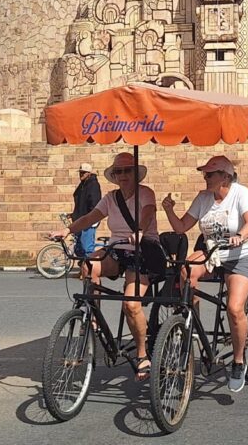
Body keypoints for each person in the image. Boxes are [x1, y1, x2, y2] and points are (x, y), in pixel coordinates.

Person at [56, 152, 160, 381]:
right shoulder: (111, 198)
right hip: (118, 250)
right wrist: (67, 230)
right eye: (119, 171)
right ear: (114, 175)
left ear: (135, 173)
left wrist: (140, 231)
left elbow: (148, 212)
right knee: (89, 265)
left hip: (144, 251)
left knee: (131, 306)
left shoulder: (146, 193)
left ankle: (143, 354)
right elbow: (90, 217)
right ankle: (93, 318)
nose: (123, 175)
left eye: (127, 170)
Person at [161, 155, 248, 394]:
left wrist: (241, 236)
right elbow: (182, 227)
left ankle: (238, 361)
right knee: (185, 270)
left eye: (210, 174)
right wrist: (168, 210)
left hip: (240, 255)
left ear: (226, 176)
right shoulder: (203, 198)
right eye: (204, 174)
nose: (205, 178)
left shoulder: (240, 193)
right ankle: (189, 321)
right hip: (213, 253)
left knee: (234, 308)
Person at [72, 162, 101, 262]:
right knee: (79, 247)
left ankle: (89, 271)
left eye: (83, 173)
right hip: (81, 220)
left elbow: (94, 203)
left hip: (88, 221)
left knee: (87, 248)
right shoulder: (83, 185)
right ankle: (83, 268)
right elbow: (80, 203)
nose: (81, 175)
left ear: (89, 173)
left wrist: (90, 218)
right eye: (80, 172)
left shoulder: (93, 185)